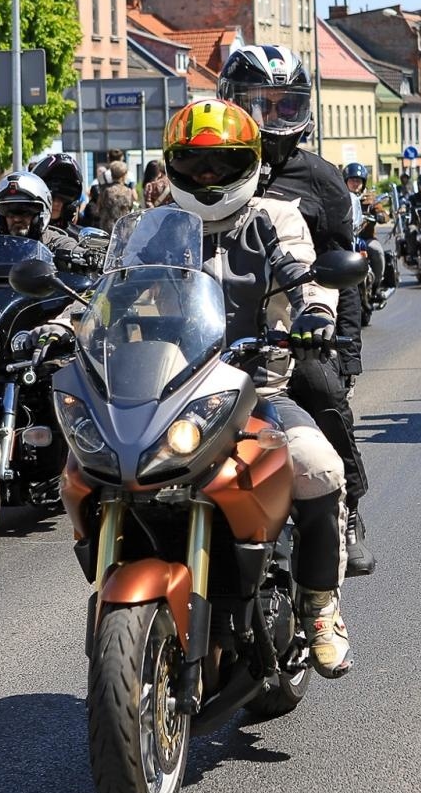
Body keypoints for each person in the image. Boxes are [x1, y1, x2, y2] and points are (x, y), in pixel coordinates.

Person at [161, 98, 354, 677]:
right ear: (175, 166)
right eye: (195, 164)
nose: (208, 176)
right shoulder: (161, 224)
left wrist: (314, 314)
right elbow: (113, 284)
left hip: (254, 393)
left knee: (320, 467)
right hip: (166, 394)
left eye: (221, 163)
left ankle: (320, 604)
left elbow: (302, 271)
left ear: (249, 162)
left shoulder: (272, 217)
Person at [217, 44, 375, 578]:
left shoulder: (322, 180)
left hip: (291, 330)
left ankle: (348, 512)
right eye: (258, 103)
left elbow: (342, 269)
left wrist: (342, 350)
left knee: (325, 395)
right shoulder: (207, 165)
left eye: (286, 105)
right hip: (209, 332)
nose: (272, 116)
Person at [343, 162, 389, 301]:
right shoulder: (340, 197)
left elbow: (382, 212)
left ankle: (377, 285)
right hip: (346, 239)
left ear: (363, 182)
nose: (355, 183)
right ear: (346, 181)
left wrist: (380, 216)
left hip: (365, 238)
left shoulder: (369, 198)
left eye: (358, 181)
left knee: (377, 250)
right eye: (352, 180)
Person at [29, 152, 86, 235]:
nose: (56, 203)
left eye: (63, 198)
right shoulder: (23, 234)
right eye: (51, 197)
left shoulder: (80, 237)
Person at [94, 160, 137, 230]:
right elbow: (130, 207)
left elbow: (99, 208)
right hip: (123, 227)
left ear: (111, 174)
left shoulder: (107, 191)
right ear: (124, 175)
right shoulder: (128, 191)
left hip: (108, 227)